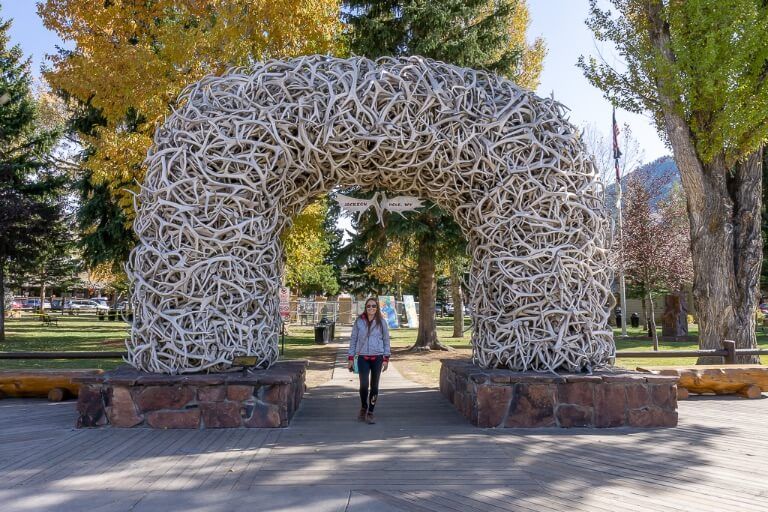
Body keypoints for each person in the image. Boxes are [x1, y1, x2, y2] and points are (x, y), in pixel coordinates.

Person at [348, 297, 391, 424]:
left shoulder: (381, 322)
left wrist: (386, 358)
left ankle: (371, 412)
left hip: (377, 357)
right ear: (365, 308)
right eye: (368, 306)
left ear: (377, 308)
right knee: (364, 385)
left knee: (374, 386)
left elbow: (386, 340)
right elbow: (353, 339)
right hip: (362, 357)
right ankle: (363, 406)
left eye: (373, 306)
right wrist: (350, 357)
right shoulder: (359, 322)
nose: (371, 308)